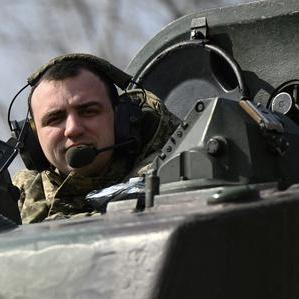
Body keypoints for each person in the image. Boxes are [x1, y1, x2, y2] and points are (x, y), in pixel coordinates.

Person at [13, 54, 180, 223]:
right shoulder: (16, 198)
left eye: (89, 111)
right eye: (55, 119)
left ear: (120, 119)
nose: (73, 129)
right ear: (34, 137)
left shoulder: (171, 175)